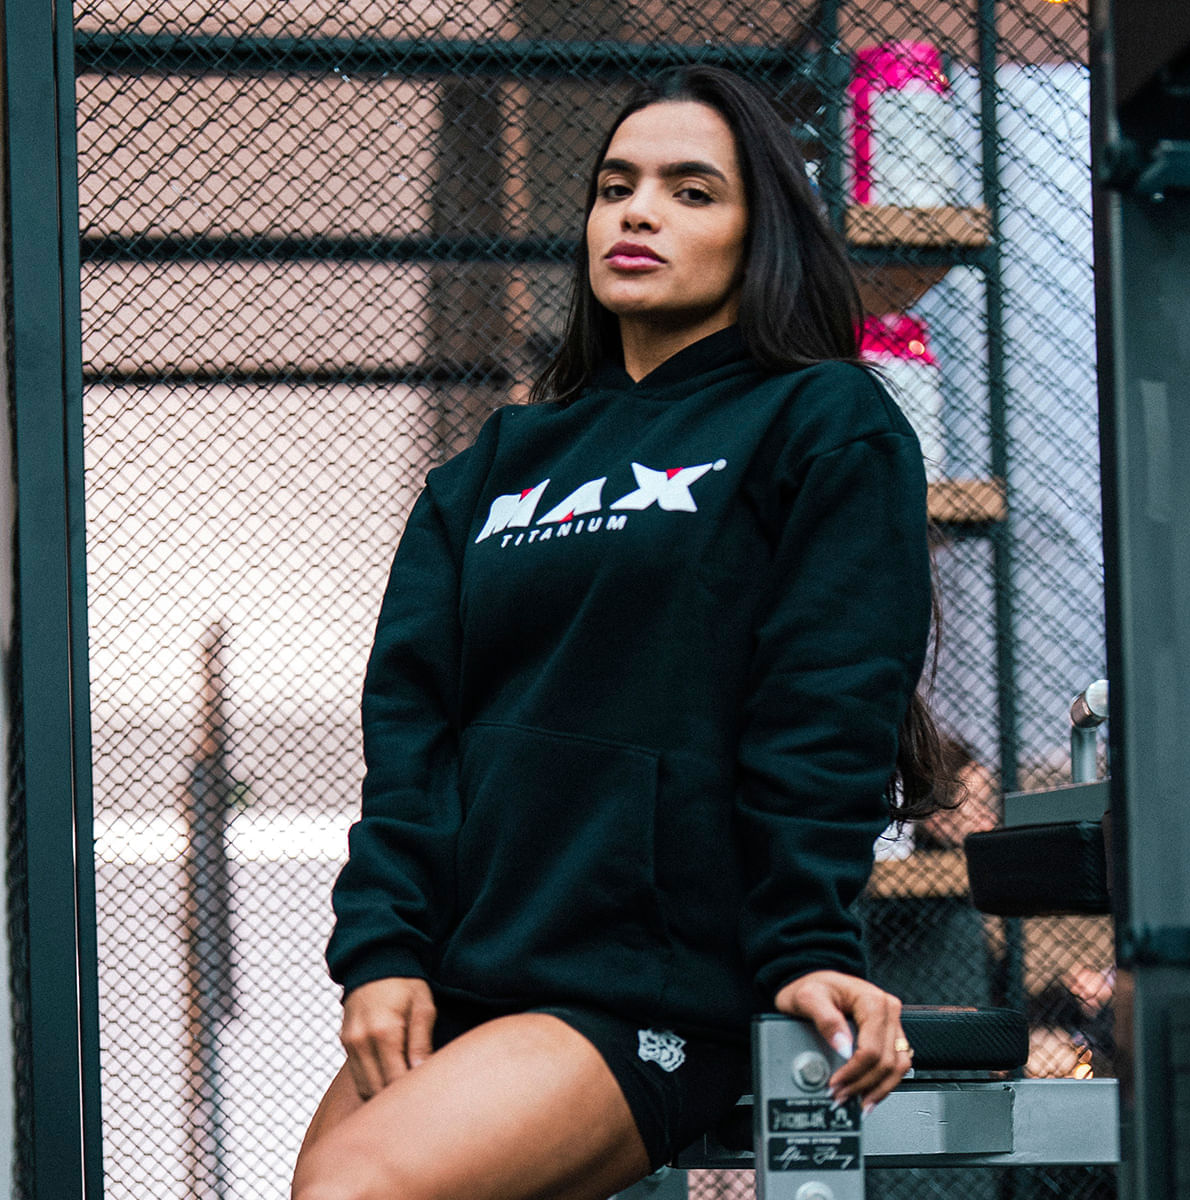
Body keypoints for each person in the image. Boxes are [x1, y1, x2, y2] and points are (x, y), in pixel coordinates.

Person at [292, 65, 958, 1200]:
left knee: (357, 1191)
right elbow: (413, 740)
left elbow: (826, 703)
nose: (639, 213)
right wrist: (385, 952)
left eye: (691, 191)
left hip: (651, 981)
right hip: (469, 968)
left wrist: (807, 942)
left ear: (760, 233)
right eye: (617, 187)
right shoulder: (492, 468)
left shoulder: (822, 424)